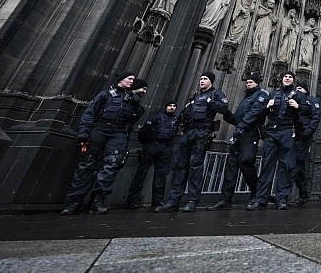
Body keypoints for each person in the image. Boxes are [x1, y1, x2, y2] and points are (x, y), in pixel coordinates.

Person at [60, 72, 144, 215]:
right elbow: (89, 113)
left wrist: (136, 104)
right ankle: (74, 202)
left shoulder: (131, 98)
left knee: (112, 164)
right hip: (99, 130)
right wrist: (84, 131)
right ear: (120, 79)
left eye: (133, 79)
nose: (132, 81)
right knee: (87, 164)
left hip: (118, 132)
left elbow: (136, 117)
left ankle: (98, 201)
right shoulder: (105, 95)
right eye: (129, 78)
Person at [155, 72, 232, 213]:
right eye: (201, 78)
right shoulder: (196, 96)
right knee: (180, 166)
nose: (201, 81)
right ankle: (173, 201)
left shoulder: (216, 94)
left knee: (195, 166)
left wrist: (210, 102)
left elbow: (224, 108)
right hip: (188, 132)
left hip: (202, 132)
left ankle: (192, 201)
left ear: (211, 81)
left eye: (205, 79)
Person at [247, 71, 311, 210]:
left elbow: (308, 111)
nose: (287, 78)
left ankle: (282, 199)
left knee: (286, 166)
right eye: (285, 76)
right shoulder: (273, 94)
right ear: (281, 79)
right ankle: (261, 199)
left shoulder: (298, 95)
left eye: (290, 77)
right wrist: (267, 106)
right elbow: (260, 112)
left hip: (288, 131)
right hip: (272, 131)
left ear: (294, 80)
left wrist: (298, 106)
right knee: (266, 166)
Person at [206, 74, 267, 211]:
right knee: (231, 164)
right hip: (239, 133)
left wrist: (241, 127)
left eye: (251, 81)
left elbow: (254, 114)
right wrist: (225, 112)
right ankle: (225, 199)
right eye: (247, 81)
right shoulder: (246, 98)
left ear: (257, 83)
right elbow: (236, 119)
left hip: (250, 133)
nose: (248, 83)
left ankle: (257, 194)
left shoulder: (261, 95)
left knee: (246, 161)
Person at [126, 98, 178, 210]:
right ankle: (132, 200)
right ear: (166, 107)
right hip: (152, 146)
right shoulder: (156, 117)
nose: (172, 108)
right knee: (141, 173)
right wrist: (147, 144)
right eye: (170, 105)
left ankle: (157, 201)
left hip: (166, 147)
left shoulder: (175, 119)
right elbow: (143, 131)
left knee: (161, 176)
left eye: (174, 106)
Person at [285, 81, 321, 206]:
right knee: (299, 165)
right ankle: (304, 195)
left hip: (304, 135)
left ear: (306, 90)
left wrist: (308, 132)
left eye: (300, 88)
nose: (297, 91)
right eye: (296, 88)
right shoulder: (292, 100)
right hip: (291, 135)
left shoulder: (311, 100)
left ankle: (284, 195)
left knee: (295, 163)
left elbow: (316, 117)